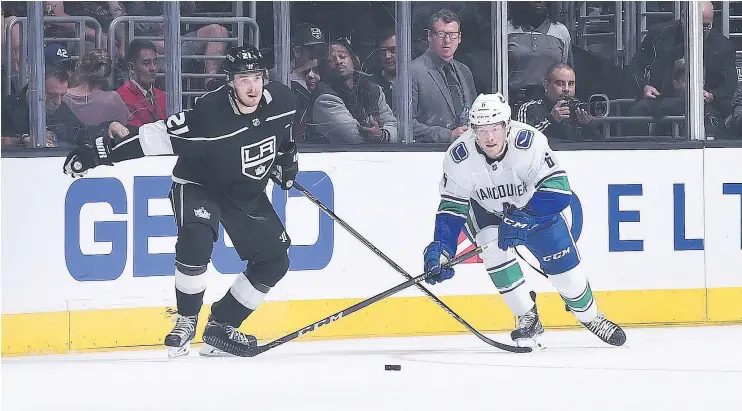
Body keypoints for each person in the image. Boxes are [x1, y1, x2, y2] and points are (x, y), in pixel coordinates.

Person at [61, 46, 299, 358]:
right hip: (199, 184)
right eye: (244, 79)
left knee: (275, 261)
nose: (253, 87)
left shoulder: (283, 101)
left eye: (257, 78)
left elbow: (284, 137)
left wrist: (286, 163)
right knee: (196, 238)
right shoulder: (209, 115)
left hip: (243, 192)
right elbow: (151, 139)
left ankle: (221, 325)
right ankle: (186, 320)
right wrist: (96, 154)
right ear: (231, 82)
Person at [422, 93, 626, 348]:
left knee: (570, 281)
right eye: (482, 130)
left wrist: (526, 217)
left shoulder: (530, 143)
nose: (490, 137)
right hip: (489, 213)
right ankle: (526, 314)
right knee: (490, 245)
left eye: (495, 128)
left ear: (507, 125)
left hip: (536, 213)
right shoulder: (458, 157)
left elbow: (559, 191)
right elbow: (452, 209)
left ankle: (590, 316)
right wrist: (442, 249)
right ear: (473, 129)